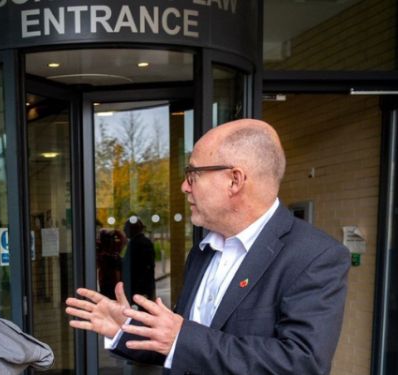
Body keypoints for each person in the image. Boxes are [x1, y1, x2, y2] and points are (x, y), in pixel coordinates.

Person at [65, 119, 350, 375]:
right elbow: (182, 347)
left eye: (193, 174)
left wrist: (180, 337)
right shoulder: (204, 249)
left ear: (234, 180)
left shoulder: (315, 256)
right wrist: (124, 331)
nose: (184, 187)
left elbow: (301, 364)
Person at [122, 216, 156, 300]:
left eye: (126, 228)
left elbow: (144, 268)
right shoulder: (139, 242)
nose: (124, 231)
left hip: (139, 289)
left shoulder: (139, 243)